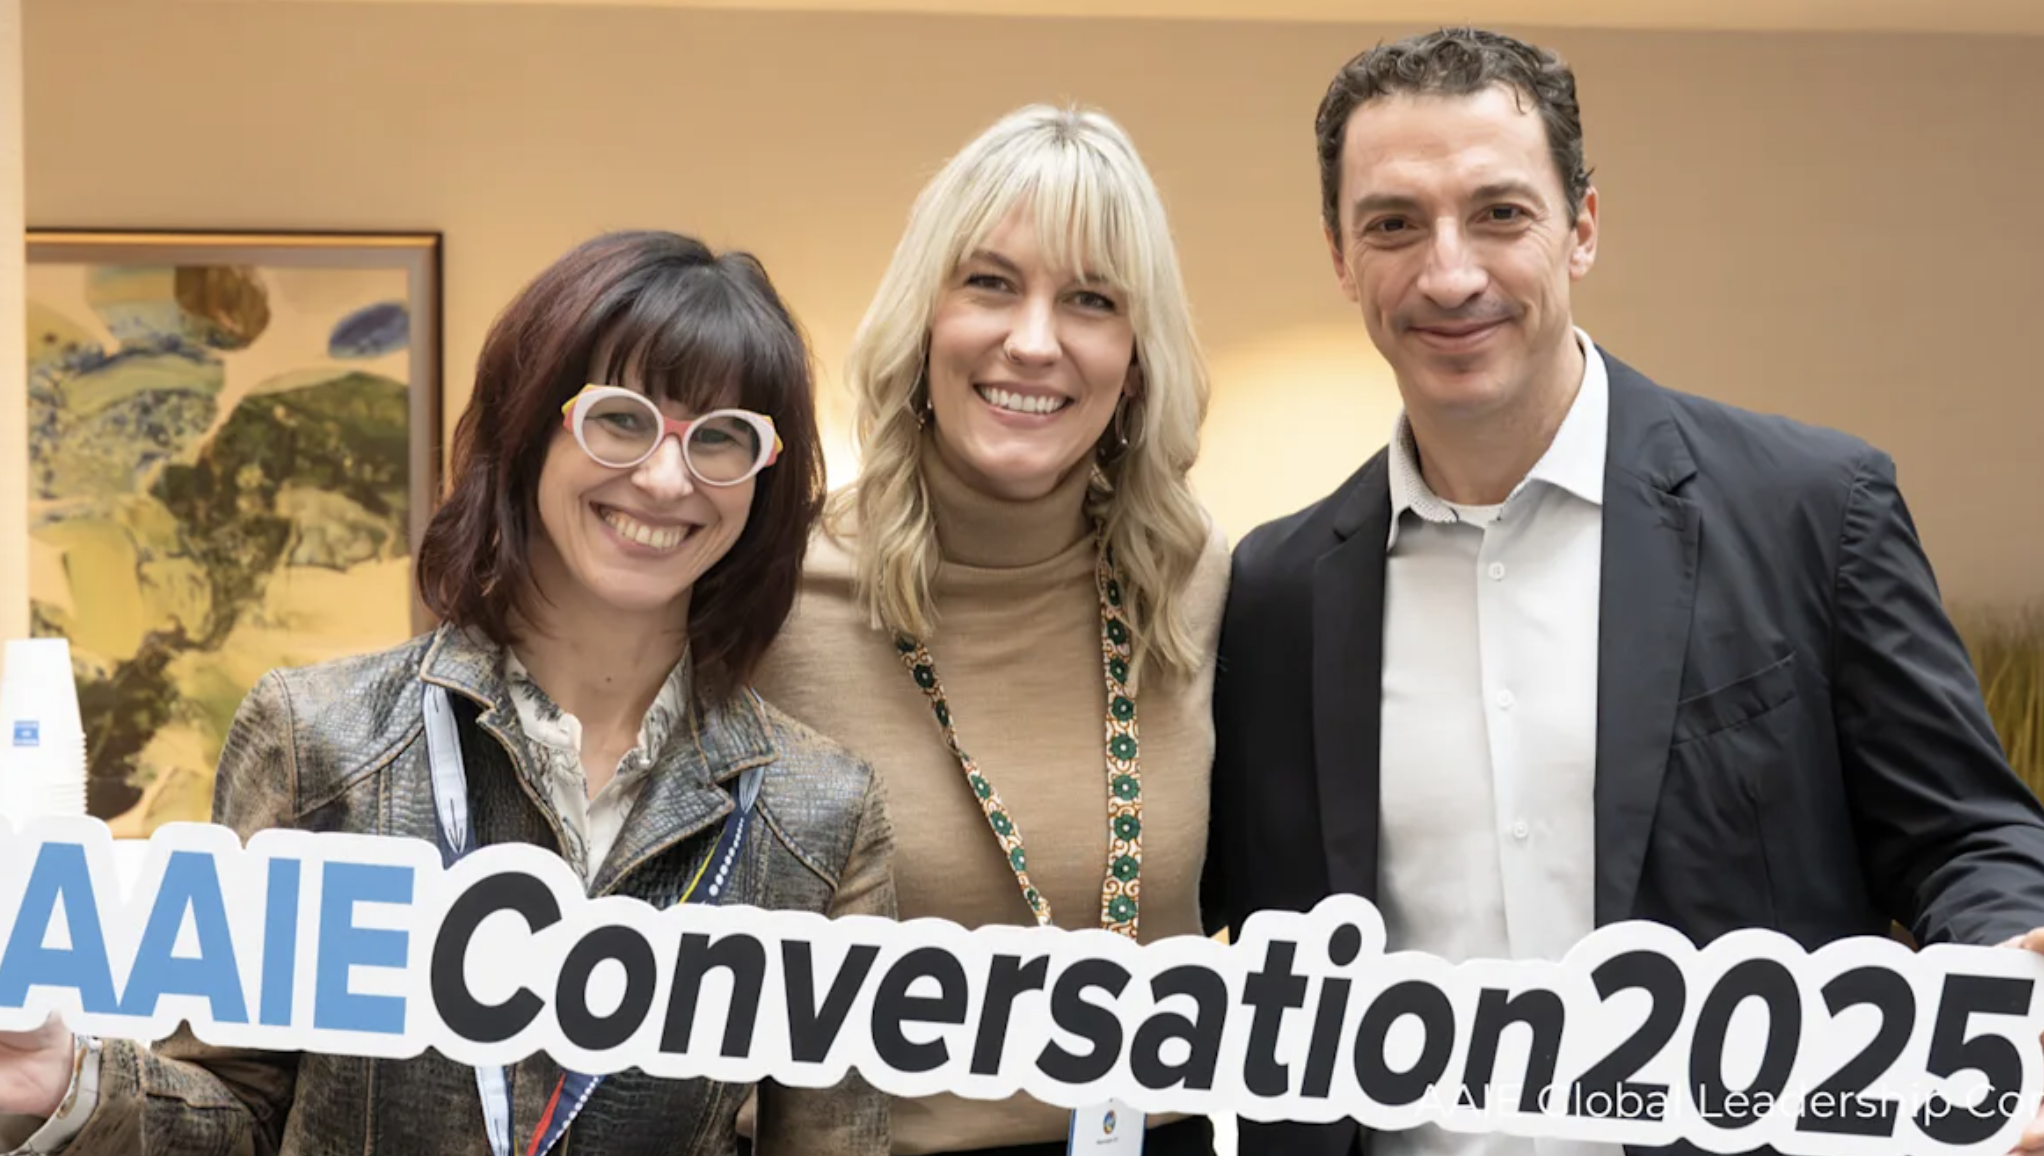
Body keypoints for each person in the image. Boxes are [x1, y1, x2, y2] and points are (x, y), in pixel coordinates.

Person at [1200, 26, 2044, 1156]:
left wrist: (1998, 963)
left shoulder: (1811, 508)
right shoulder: (1276, 589)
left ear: (1582, 226)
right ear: (1341, 257)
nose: (1449, 273)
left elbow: (1967, 838)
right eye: (1393, 224)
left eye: (1500, 213)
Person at [0, 230, 895, 1156]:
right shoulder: (319, 739)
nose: (667, 478)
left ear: (765, 481)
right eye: (621, 420)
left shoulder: (816, 811)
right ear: (529, 426)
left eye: (722, 439)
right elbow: (242, 1109)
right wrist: (69, 1082)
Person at [750, 105, 1229, 1155]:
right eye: (990, 282)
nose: (1033, 340)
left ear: (1136, 358)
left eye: (1091, 299)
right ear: (924, 318)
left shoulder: (1195, 580)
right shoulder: (772, 588)